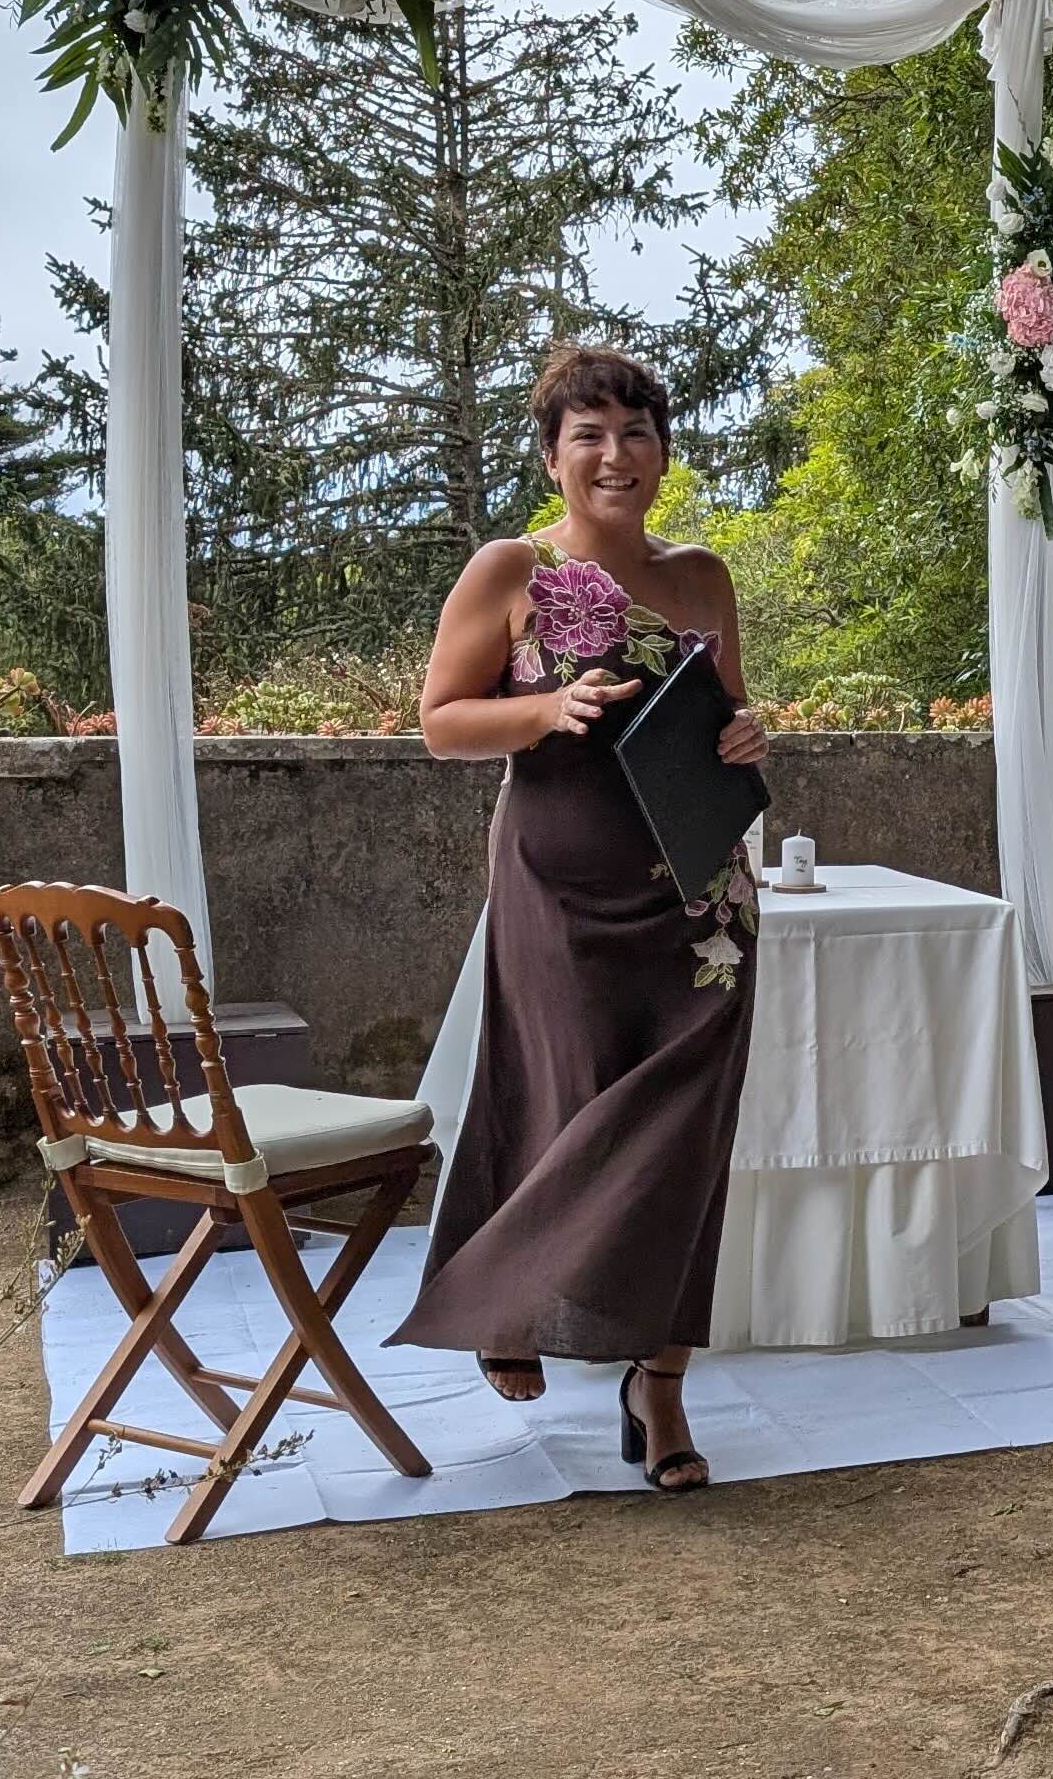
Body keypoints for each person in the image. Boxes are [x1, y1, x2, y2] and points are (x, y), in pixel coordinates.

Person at [385, 344, 770, 1493]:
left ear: (663, 451)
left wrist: (748, 731)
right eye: (588, 434)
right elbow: (440, 722)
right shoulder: (512, 568)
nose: (615, 454)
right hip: (559, 885)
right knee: (561, 1100)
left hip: (702, 899)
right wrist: (547, 708)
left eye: (635, 431)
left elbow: (722, 710)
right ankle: (507, 1296)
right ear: (553, 456)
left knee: (686, 1135)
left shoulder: (702, 575)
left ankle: (659, 1388)